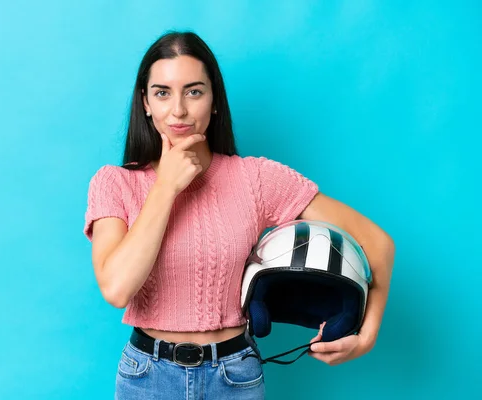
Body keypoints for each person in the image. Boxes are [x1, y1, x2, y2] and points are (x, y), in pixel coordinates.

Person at [84, 31, 395, 399]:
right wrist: (165, 186)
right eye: (162, 92)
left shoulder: (256, 178)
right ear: (146, 103)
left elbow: (378, 244)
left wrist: (367, 335)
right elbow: (117, 288)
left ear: (214, 100)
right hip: (148, 378)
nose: (178, 110)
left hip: (234, 379)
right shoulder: (114, 182)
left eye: (194, 91)